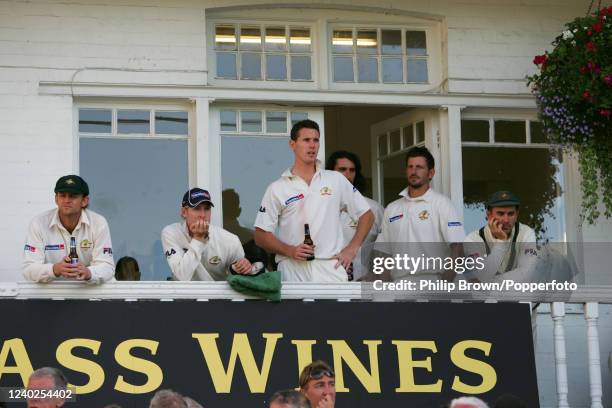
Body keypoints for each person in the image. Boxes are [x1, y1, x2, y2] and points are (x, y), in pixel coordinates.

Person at [255, 120, 374, 282]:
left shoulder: (336, 179)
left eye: (316, 140)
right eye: (306, 140)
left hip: (331, 268)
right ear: (292, 144)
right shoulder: (277, 188)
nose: (312, 145)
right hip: (292, 269)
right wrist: (290, 250)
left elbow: (367, 215)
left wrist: (352, 248)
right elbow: (261, 235)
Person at [376, 146, 465, 281]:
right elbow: (384, 253)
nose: (414, 171)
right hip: (399, 285)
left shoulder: (442, 204)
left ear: (431, 173)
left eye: (419, 167)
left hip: (433, 282)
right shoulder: (392, 208)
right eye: (410, 167)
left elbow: (458, 246)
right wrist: (383, 283)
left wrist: (446, 281)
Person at [22, 175, 114, 283]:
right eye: (62, 195)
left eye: (73, 196)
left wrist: (89, 273)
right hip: (51, 295)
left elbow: (107, 267)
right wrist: (55, 269)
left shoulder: (98, 223)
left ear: (84, 201)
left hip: (90, 293)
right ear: (56, 199)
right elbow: (28, 269)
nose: (67, 200)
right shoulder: (38, 223)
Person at [161, 188, 254, 281]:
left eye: (207, 209)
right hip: (184, 295)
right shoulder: (171, 232)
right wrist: (198, 239)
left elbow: (241, 281)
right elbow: (181, 277)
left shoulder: (230, 240)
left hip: (218, 295)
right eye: (197, 208)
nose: (202, 215)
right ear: (184, 212)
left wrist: (243, 267)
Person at [325, 150, 383, 280]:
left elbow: (387, 246)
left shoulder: (373, 208)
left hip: (362, 282)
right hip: (326, 281)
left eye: (352, 170)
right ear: (330, 173)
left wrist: (377, 274)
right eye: (342, 169)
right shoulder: (320, 206)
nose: (348, 174)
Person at [464, 191, 538, 283]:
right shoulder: (473, 239)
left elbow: (527, 273)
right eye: (500, 213)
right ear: (488, 214)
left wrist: (490, 284)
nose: (506, 220)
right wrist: (502, 241)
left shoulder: (526, 233)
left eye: (511, 214)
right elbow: (481, 277)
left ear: (517, 214)